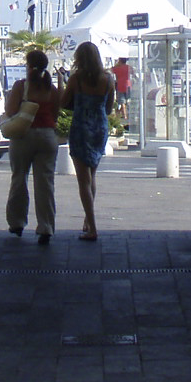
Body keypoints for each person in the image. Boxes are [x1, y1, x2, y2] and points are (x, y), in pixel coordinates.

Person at [4, 47, 62, 243]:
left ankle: (17, 222)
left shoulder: (22, 86)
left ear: (28, 66)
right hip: (47, 136)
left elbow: (11, 111)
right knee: (45, 183)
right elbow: (55, 115)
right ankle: (46, 226)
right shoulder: (51, 89)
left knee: (19, 178)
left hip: (23, 136)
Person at [64, 41, 115, 240]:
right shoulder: (108, 79)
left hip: (81, 127)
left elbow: (63, 102)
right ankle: (87, 219)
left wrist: (61, 84)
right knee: (92, 176)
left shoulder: (76, 79)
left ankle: (92, 227)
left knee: (83, 180)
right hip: (99, 128)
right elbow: (109, 108)